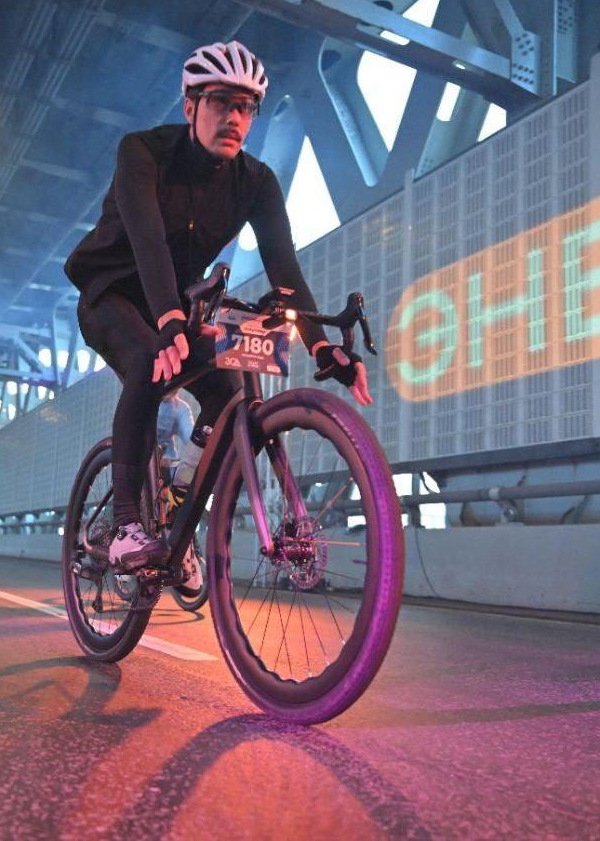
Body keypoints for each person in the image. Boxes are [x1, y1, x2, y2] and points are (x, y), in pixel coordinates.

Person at [64, 41, 372, 571]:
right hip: (111, 293)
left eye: (246, 107)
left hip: (178, 306)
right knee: (150, 363)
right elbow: (147, 240)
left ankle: (178, 505)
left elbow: (284, 268)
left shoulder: (257, 182)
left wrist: (322, 348)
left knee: (230, 392)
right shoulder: (142, 151)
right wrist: (167, 320)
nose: (233, 117)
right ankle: (125, 526)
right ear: (190, 106)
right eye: (220, 102)